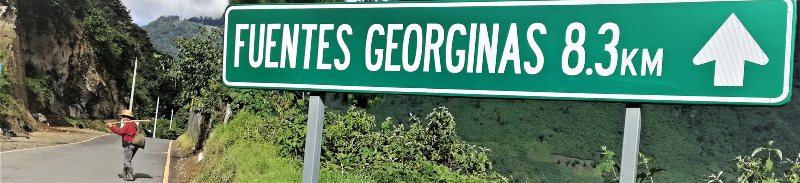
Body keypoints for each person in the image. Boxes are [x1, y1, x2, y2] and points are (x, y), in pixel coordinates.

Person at [107, 110, 139, 181]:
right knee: (127, 159)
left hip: (129, 145)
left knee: (127, 161)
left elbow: (120, 132)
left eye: (123, 117)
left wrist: (111, 127)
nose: (122, 119)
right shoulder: (133, 124)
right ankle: (125, 173)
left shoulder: (128, 124)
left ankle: (130, 176)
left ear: (127, 118)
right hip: (133, 145)